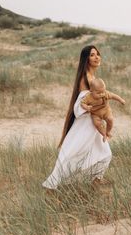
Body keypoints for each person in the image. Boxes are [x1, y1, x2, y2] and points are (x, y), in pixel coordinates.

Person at [42, 45, 112, 189]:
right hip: (86, 123)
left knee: (104, 151)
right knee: (73, 152)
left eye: (98, 54)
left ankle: (96, 179)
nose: (97, 57)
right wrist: (98, 110)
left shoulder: (93, 77)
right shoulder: (85, 77)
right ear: (86, 59)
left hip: (94, 123)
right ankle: (51, 185)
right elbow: (82, 102)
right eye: (92, 55)